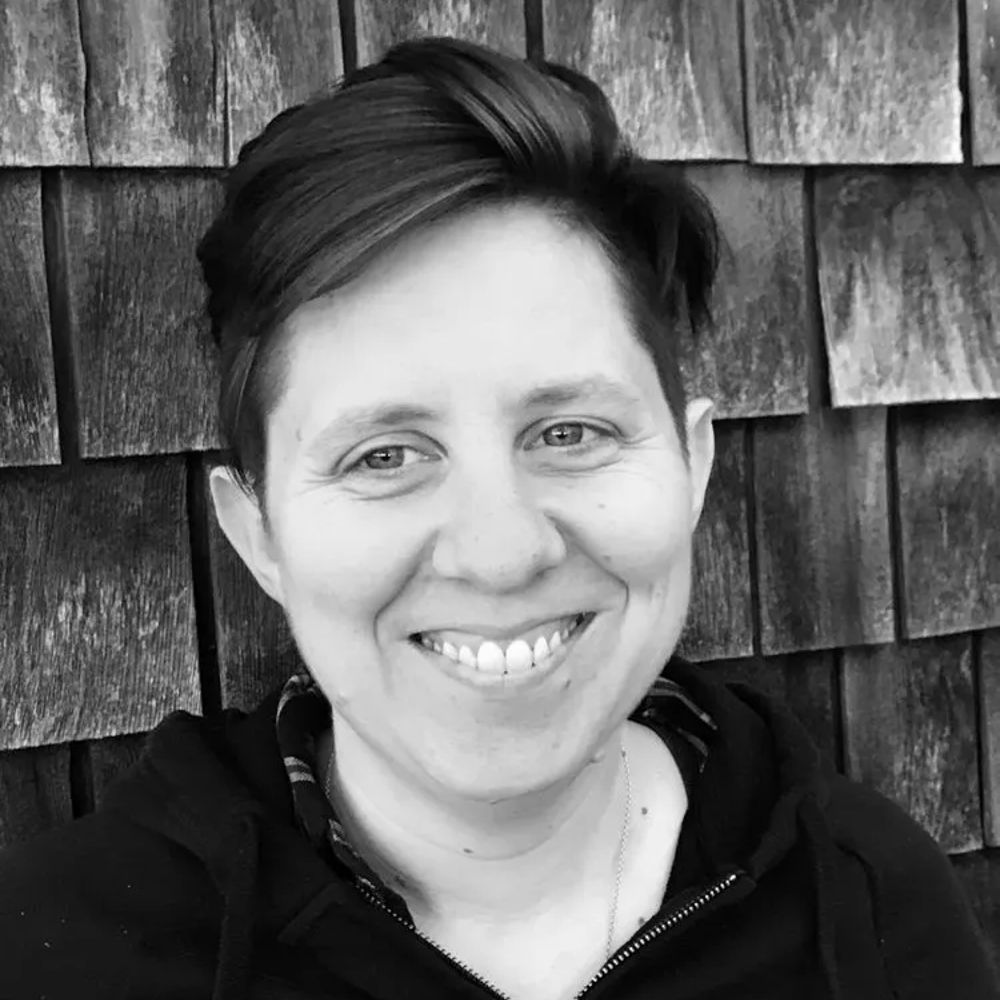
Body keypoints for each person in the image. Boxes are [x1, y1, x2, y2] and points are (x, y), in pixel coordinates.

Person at [0, 35, 996, 1000]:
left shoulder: (877, 910)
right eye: (384, 456)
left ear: (691, 466)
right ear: (257, 534)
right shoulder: (65, 954)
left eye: (569, 433)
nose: (501, 553)